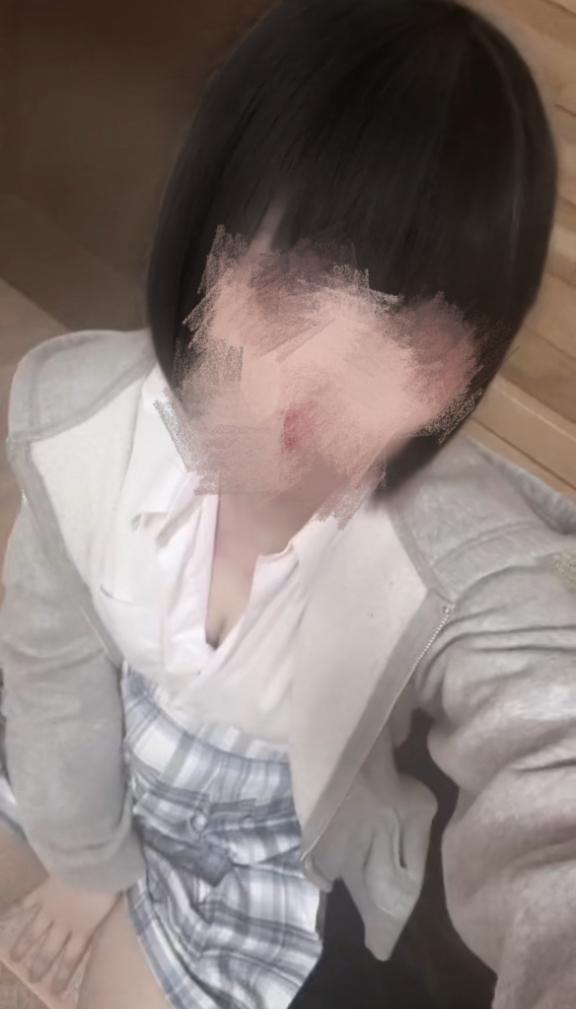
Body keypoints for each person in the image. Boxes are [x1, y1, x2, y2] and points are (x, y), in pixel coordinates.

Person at [0, 1, 574, 1008]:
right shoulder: (75, 423)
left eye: (411, 334)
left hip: (273, 834)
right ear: (203, 246)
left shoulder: (461, 554)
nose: (323, 384)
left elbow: (549, 733)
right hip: (109, 739)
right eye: (291, 285)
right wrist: (87, 861)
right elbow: (51, 662)